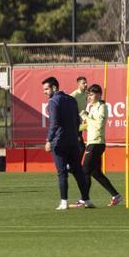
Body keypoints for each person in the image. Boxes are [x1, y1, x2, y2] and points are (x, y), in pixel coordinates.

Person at [42, 76, 93, 210]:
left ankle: (64, 202)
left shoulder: (53, 102)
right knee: (78, 171)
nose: (44, 92)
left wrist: (49, 140)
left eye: (46, 89)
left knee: (62, 172)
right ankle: (86, 199)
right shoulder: (71, 100)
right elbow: (77, 121)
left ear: (54, 88)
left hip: (59, 142)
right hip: (73, 142)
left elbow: (54, 123)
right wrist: (76, 135)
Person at [82, 84, 121, 207]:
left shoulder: (102, 107)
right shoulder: (92, 107)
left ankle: (85, 199)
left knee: (85, 170)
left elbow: (98, 125)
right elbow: (90, 126)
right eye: (88, 95)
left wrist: (85, 116)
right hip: (91, 142)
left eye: (91, 94)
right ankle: (116, 195)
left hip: (96, 143)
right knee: (95, 173)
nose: (89, 97)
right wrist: (77, 128)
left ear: (98, 95)